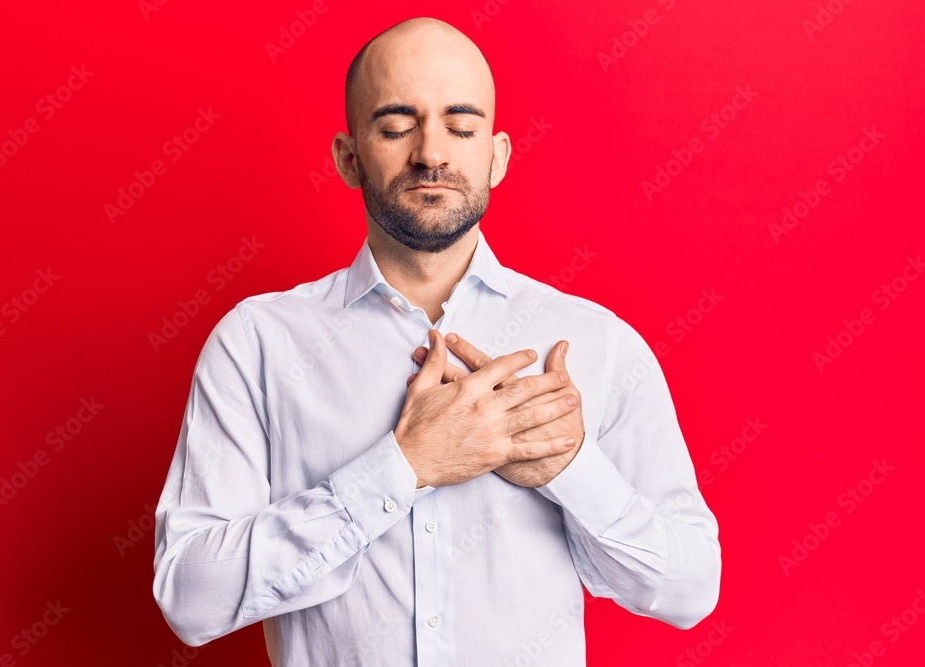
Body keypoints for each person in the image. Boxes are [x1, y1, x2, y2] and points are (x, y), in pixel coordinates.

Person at [153, 16, 720, 666]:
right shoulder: (257, 343)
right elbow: (189, 598)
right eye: (397, 127)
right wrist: (404, 466)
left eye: (461, 127)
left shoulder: (597, 342)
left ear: (497, 156)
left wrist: (571, 468)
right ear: (348, 157)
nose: (431, 154)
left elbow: (691, 590)